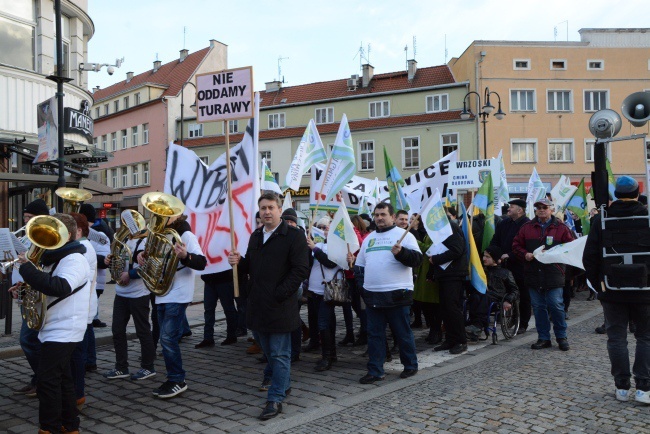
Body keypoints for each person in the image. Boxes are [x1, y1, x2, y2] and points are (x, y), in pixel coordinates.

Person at [228, 192, 309, 420]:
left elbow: (300, 270)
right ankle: (284, 384)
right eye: (263, 208)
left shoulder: (293, 236)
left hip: (280, 305)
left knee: (280, 353)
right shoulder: (255, 237)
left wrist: (280, 293)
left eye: (271, 207)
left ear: (279, 209)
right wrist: (238, 263)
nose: (266, 212)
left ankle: (275, 399)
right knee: (268, 350)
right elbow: (250, 267)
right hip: (257, 305)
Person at [11, 213, 91, 434]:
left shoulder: (75, 259)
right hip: (53, 327)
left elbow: (60, 287)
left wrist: (26, 268)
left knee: (47, 383)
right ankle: (69, 425)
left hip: (65, 328)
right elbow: (45, 289)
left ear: (63, 238)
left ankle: (49, 428)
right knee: (62, 380)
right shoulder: (54, 259)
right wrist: (23, 291)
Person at [583, 176, 650, 404]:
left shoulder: (602, 219)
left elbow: (589, 257)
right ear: (638, 194)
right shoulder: (647, 216)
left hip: (611, 288)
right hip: (645, 289)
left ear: (616, 196)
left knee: (617, 338)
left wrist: (599, 284)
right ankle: (644, 388)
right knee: (646, 338)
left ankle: (621, 387)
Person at [350, 202, 422, 384]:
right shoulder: (369, 238)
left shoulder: (404, 236)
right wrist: (363, 288)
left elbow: (417, 260)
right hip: (373, 295)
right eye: (376, 215)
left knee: (402, 332)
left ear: (392, 216)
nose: (379, 218)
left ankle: (410, 365)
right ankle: (375, 370)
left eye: (383, 214)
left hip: (398, 293)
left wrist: (402, 253)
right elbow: (360, 266)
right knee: (374, 335)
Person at [138, 213, 206, 399]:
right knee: (166, 339)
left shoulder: (186, 235)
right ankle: (173, 378)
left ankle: (177, 379)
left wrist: (185, 255)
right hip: (162, 293)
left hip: (178, 293)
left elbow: (201, 262)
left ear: (175, 215)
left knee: (168, 338)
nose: (158, 216)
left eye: (164, 214)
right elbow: (153, 259)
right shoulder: (159, 235)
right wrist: (141, 257)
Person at [512, 197, 575, 351]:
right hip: (533, 272)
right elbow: (516, 245)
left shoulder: (561, 227)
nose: (541, 209)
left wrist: (555, 253)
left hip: (554, 272)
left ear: (551, 209)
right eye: (538, 207)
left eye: (544, 207)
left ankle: (561, 336)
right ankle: (543, 338)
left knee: (556, 305)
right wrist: (525, 254)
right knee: (539, 307)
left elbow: (571, 246)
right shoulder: (527, 227)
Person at [103, 230, 157, 381]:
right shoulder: (123, 240)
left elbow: (146, 265)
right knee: (117, 330)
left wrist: (130, 274)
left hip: (138, 293)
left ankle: (148, 367)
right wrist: (109, 260)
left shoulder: (145, 241)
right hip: (121, 293)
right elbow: (117, 261)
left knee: (143, 331)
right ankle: (121, 367)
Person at [11, 198, 50, 398]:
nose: (25, 222)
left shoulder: (44, 239)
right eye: (25, 217)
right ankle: (39, 379)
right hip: (24, 291)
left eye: (29, 218)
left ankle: (44, 380)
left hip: (37, 294)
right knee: (32, 340)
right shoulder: (26, 238)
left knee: (28, 339)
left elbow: (40, 269)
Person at [427, 210, 469, 355]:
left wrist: (436, 260)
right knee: (445, 309)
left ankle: (461, 341)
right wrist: (431, 272)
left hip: (454, 274)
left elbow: (457, 250)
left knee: (452, 308)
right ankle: (450, 339)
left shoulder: (450, 227)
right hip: (444, 274)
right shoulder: (440, 229)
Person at [68, 212, 98, 411]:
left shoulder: (84, 248)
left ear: (78, 230)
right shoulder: (80, 246)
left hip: (82, 308)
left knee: (77, 355)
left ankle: (77, 395)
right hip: (81, 308)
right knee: (76, 354)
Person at [488, 198, 531, 333]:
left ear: (520, 210)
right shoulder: (504, 223)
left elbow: (527, 246)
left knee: (523, 294)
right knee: (507, 292)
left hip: (520, 266)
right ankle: (510, 317)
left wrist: (511, 255)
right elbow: (496, 241)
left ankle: (523, 323)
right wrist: (495, 254)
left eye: (511, 206)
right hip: (504, 265)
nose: (508, 208)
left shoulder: (527, 224)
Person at [465, 246, 519, 342]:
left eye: (488, 257)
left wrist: (508, 300)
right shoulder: (481, 272)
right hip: (482, 297)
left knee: (485, 297)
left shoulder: (505, 273)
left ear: (496, 260)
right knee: (475, 296)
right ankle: (472, 324)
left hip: (497, 300)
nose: (484, 258)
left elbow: (514, 290)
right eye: (484, 256)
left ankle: (478, 325)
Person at [79, 204, 112, 329]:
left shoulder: (99, 236)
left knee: (87, 320)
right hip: (85, 279)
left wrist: (83, 255)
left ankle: (94, 320)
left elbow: (104, 261)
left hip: (96, 280)